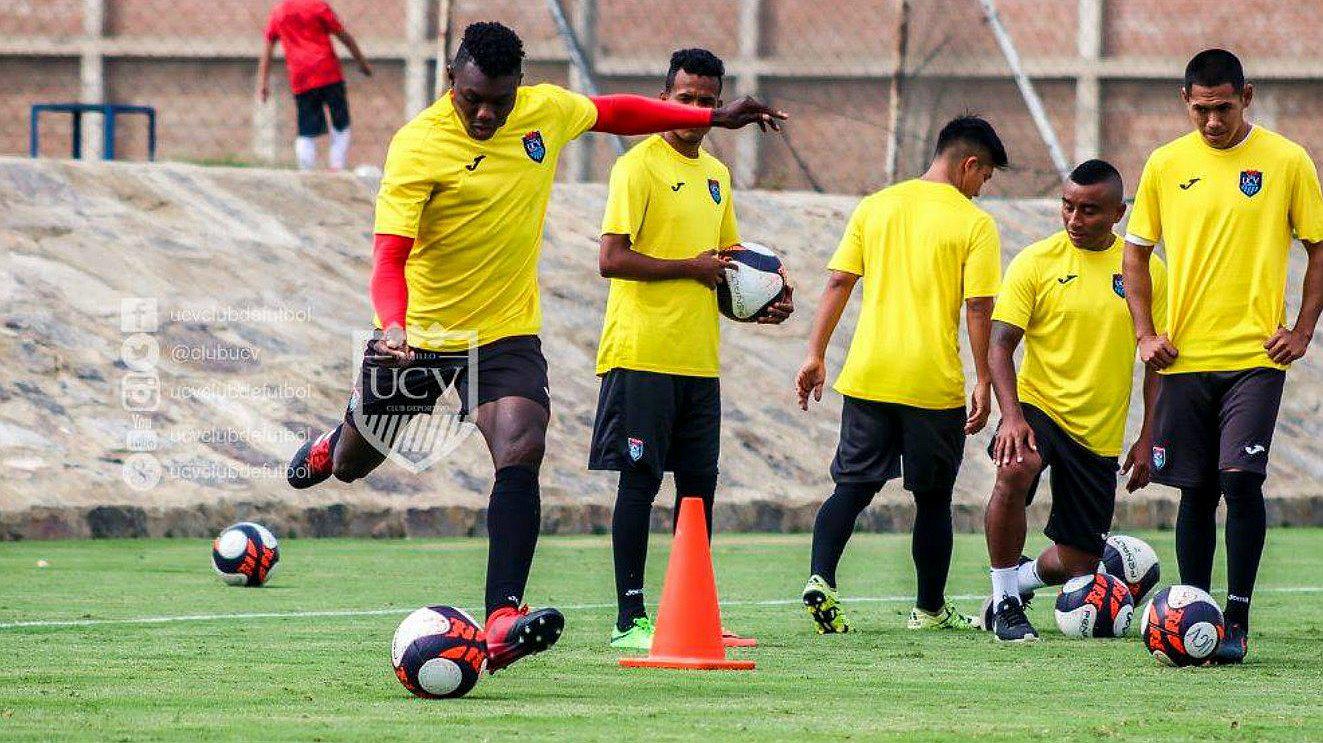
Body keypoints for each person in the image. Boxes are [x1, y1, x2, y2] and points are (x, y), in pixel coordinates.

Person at [284, 21, 785, 674]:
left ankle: (501, 618)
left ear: (519, 86)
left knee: (521, 445)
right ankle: (336, 439)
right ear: (450, 81)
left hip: (504, 332)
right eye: (472, 99)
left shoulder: (543, 111)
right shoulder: (417, 145)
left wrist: (712, 116)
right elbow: (388, 257)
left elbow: (615, 112)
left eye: (500, 100)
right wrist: (394, 325)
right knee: (355, 464)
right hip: (420, 336)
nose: (486, 114)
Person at [588, 48, 794, 650]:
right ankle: (630, 620)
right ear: (664, 99)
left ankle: (692, 611)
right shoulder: (637, 167)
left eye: (707, 101)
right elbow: (611, 259)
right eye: (686, 99)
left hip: (699, 361)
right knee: (639, 482)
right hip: (641, 354)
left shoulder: (717, 176)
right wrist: (689, 267)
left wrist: (760, 305)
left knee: (699, 491)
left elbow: (721, 273)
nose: (695, 110)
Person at [1123, 48, 1323, 664]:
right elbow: (1135, 254)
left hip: (1255, 358)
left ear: (1247, 97)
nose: (1213, 121)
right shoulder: (1165, 164)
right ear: (1186, 101)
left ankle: (1235, 617)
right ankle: (1191, 610)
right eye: (1202, 110)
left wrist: (1302, 329)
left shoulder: (1286, 160)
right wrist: (1145, 334)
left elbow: (1319, 248)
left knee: (1241, 478)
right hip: (1184, 358)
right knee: (1196, 488)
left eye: (1225, 108)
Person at [795, 116, 1006, 634]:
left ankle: (821, 578)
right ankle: (929, 609)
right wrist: (983, 379)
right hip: (931, 384)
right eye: (984, 178)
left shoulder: (876, 206)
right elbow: (979, 307)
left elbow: (839, 281)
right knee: (932, 500)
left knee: (851, 487)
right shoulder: (974, 224)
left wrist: (815, 354)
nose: (981, 190)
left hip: (868, 375)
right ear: (969, 165)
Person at [980, 160, 1165, 643]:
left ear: (1118, 213)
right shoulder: (1035, 262)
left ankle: (1021, 579)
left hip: (1098, 431)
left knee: (1078, 562)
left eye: (1089, 210)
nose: (1074, 219)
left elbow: (1157, 363)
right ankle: (1005, 602)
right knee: (1015, 467)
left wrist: (1148, 436)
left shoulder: (1146, 271)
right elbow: (999, 345)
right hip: (1038, 405)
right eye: (1067, 206)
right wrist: (1011, 417)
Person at [257, 0, 372, 171]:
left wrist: (263, 82)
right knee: (341, 122)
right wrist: (362, 62)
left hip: (301, 77)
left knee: (306, 128)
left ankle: (306, 172)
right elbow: (344, 37)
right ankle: (337, 167)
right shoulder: (318, 6)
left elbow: (268, 48)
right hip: (328, 72)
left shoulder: (279, 12)